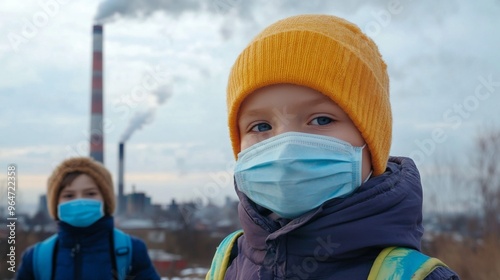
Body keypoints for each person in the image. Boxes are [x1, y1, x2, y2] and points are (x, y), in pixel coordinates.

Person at [207, 14, 459, 279]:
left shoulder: (411, 275)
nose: (285, 148)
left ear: (371, 143)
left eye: (321, 119)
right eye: (260, 127)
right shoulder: (228, 262)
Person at [17, 157, 160, 280]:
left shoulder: (130, 251)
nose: (80, 201)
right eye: (69, 196)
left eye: (90, 194)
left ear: (106, 200)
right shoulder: (37, 258)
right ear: (56, 204)